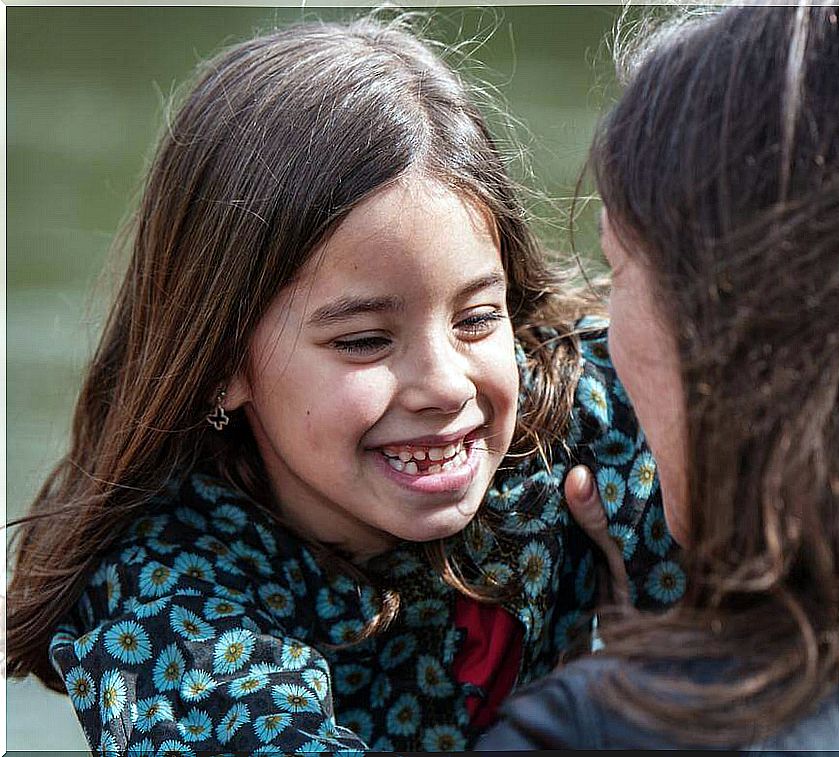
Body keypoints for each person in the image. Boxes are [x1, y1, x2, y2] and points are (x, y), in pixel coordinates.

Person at [5, 17, 683, 754]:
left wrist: (678, 656)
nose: (446, 385)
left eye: (478, 318)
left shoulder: (580, 424)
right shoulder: (165, 600)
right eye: (364, 340)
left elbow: (792, 609)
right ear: (220, 362)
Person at [479, 5, 839, 751]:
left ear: (739, 330)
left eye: (618, 267)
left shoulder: (582, 733)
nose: (602, 334)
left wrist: (624, 674)